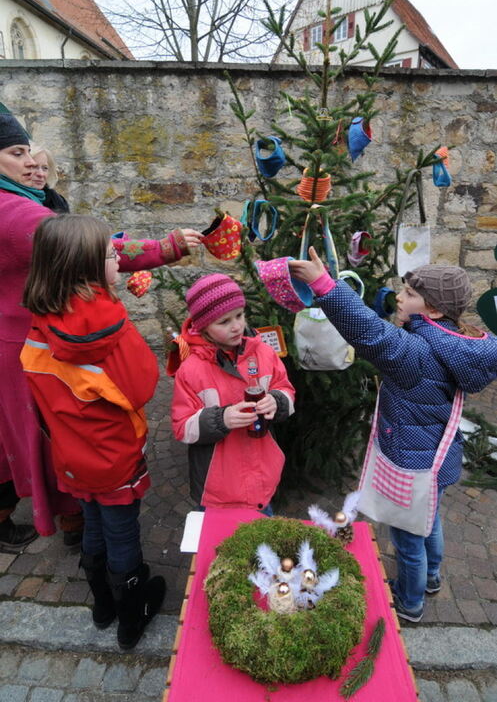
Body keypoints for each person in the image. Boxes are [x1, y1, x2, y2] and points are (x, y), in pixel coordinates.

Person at [0, 110, 202, 550]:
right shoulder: (14, 213)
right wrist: (164, 247)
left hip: (28, 335)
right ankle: (76, 522)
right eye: (17, 154)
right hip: (31, 343)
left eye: (33, 155)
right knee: (50, 427)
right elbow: (89, 248)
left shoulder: (27, 200)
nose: (31, 163)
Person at [289, 248, 497, 623]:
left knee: (407, 539)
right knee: (430, 519)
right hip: (440, 459)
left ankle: (410, 602)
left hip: (411, 463)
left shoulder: (414, 353)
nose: (399, 297)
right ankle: (432, 577)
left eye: (411, 295)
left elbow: (368, 331)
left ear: (432, 310)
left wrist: (324, 284)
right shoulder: (460, 344)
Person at [21, 214, 166, 650]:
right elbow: (142, 384)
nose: (118, 264)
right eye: (109, 256)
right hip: (113, 454)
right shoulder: (109, 329)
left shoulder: (40, 320)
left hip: (70, 452)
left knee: (93, 526)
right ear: (85, 269)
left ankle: (101, 603)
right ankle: (130, 614)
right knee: (122, 532)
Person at [169, 273, 295, 512]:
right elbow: (182, 427)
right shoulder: (191, 370)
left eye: (239, 315)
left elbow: (285, 389)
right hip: (217, 488)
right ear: (203, 325)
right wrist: (221, 419)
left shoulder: (264, 354)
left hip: (261, 478)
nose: (236, 326)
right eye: (224, 322)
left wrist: (276, 402)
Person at [29, 143, 70, 212]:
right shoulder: (12, 198)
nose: (41, 174)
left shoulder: (57, 201)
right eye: (34, 167)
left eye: (45, 168)